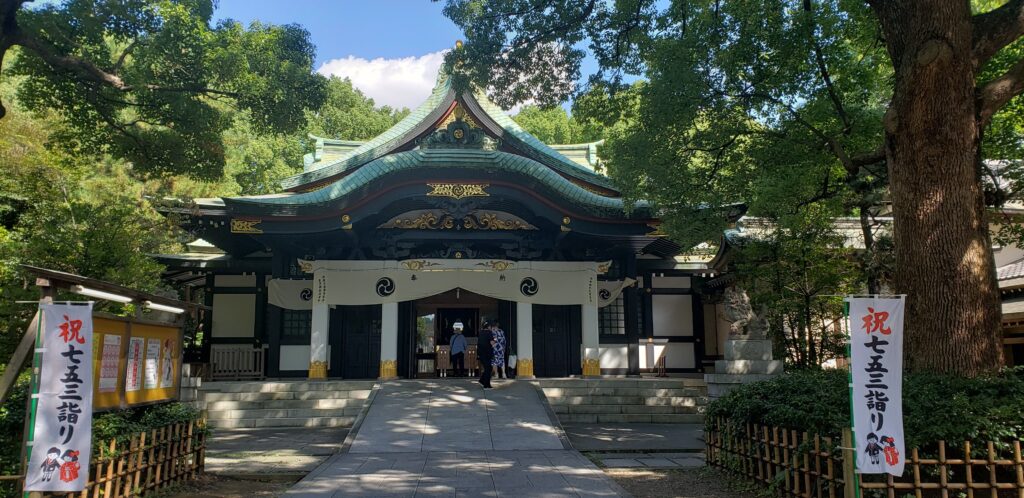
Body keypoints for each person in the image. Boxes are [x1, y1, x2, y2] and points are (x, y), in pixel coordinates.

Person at [478, 321, 494, 388]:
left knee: (488, 368)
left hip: (481, 353)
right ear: (489, 327)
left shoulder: (480, 333)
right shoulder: (489, 333)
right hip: (487, 353)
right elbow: (492, 343)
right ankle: (486, 385)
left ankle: (482, 380)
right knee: (488, 369)